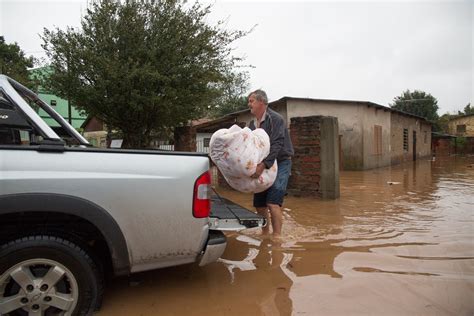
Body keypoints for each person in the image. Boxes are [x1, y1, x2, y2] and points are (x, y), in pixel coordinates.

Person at [247, 89, 294, 236]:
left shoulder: (275, 119)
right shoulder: (252, 124)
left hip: (280, 162)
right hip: (263, 164)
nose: (249, 104)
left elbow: (277, 144)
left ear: (262, 102)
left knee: (273, 201)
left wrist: (263, 166)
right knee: (260, 204)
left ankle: (277, 238)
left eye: (251, 101)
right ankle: (265, 233)